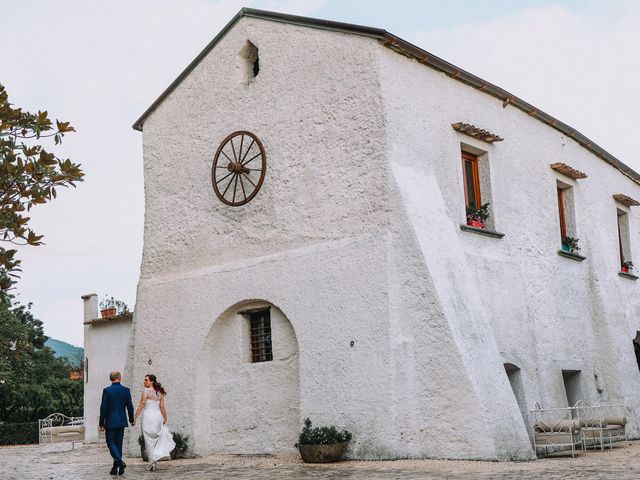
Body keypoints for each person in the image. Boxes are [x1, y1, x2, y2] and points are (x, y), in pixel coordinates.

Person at [134, 374, 175, 471]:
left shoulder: (146, 391)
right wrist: (165, 417)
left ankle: (151, 463)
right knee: (156, 439)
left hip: (148, 417)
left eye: (146, 380)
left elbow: (142, 404)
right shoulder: (160, 392)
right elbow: (162, 407)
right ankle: (153, 461)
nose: (144, 382)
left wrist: (135, 417)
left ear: (152, 381)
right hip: (157, 417)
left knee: (148, 440)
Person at [99, 371, 135, 476]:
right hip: (121, 420)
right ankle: (116, 468)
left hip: (110, 421)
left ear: (111, 378)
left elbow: (103, 407)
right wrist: (131, 419)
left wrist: (101, 422)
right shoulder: (126, 390)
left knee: (110, 443)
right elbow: (130, 406)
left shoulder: (107, 391)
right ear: (119, 378)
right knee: (118, 444)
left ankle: (119, 462)